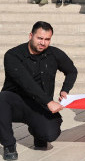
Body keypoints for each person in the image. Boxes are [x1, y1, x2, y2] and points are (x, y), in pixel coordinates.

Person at [0, 22, 77, 158]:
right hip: (15, 103)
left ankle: (38, 132)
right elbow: (26, 82)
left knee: (49, 134)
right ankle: (9, 145)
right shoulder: (13, 55)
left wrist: (65, 90)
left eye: (47, 39)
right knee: (2, 98)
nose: (43, 43)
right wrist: (49, 101)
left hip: (39, 105)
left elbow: (72, 71)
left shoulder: (54, 54)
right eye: (39, 38)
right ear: (31, 36)